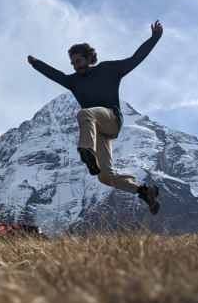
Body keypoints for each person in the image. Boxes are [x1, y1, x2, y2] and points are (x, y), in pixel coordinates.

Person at [27, 20, 163, 215]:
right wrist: (36, 64)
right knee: (104, 176)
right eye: (73, 64)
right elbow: (56, 75)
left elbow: (135, 59)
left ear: (90, 58)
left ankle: (86, 150)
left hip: (112, 119)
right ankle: (144, 191)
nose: (76, 67)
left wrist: (155, 37)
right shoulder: (74, 81)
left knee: (85, 113)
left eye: (79, 62)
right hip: (99, 130)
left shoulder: (108, 70)